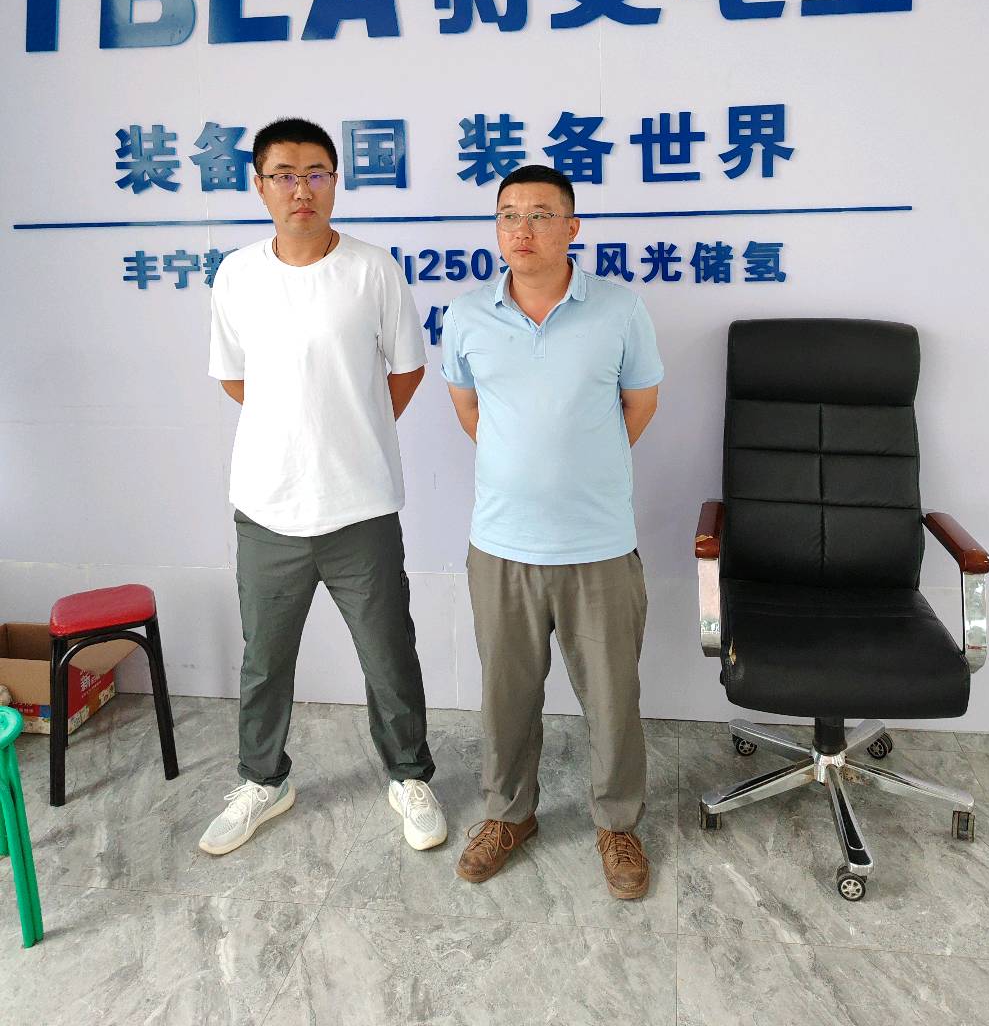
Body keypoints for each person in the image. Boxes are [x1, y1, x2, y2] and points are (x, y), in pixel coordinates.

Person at [200, 117, 445, 857]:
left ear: (335, 181)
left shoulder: (373, 269)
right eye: (284, 174)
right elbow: (236, 378)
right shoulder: (237, 274)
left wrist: (348, 426)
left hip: (360, 504)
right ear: (259, 185)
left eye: (315, 173)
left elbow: (406, 370)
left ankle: (408, 776)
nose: (300, 189)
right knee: (264, 660)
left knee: (388, 655)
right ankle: (263, 780)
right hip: (267, 506)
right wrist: (294, 427)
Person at [440, 164, 662, 899]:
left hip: (598, 545)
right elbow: (469, 411)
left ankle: (617, 824)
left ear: (572, 227)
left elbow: (639, 404)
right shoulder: (467, 317)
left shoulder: (620, 309)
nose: (523, 229)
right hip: (501, 546)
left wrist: (579, 470)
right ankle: (508, 815)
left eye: (540, 214)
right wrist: (525, 468)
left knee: (612, 699)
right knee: (505, 698)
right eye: (509, 215)